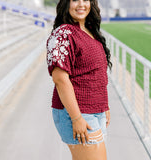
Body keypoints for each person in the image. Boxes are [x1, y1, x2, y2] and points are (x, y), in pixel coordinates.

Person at [46, 0, 112, 159]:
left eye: (85, 0)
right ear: (66, 4)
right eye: (75, 0)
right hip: (77, 112)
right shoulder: (63, 33)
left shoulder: (90, 31)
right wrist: (76, 118)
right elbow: (60, 79)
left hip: (95, 111)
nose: (81, 4)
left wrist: (104, 106)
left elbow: (96, 75)